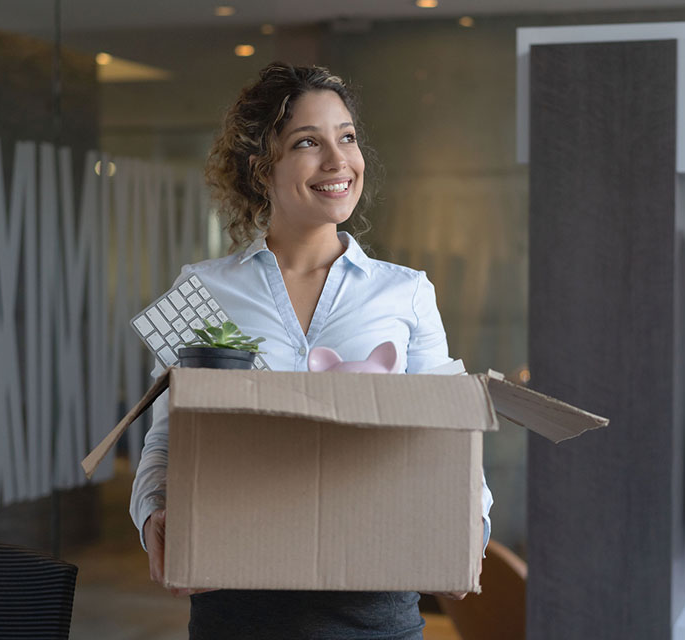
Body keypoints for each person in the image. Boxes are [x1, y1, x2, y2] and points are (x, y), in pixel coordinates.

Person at [130, 62, 493, 640]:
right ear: (259, 167)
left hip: (374, 616)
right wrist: (153, 513)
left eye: (346, 137)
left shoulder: (406, 293)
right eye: (307, 142)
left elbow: (451, 435)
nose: (338, 161)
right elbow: (168, 437)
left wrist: (470, 525)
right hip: (236, 610)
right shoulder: (201, 293)